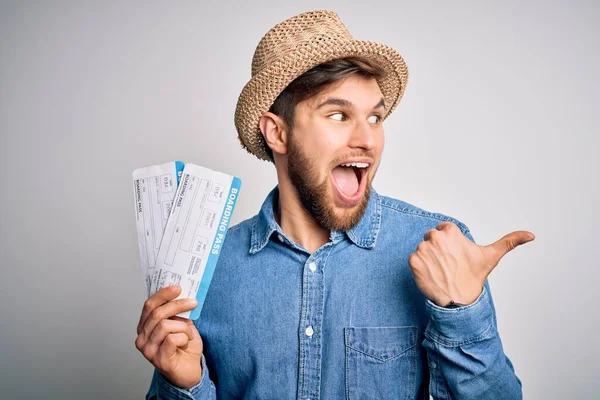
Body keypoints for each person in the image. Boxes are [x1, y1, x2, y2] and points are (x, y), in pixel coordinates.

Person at [135, 10, 534, 399]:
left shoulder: (438, 248)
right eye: (339, 115)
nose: (368, 140)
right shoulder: (209, 267)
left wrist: (463, 313)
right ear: (277, 132)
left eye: (375, 118)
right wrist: (184, 386)